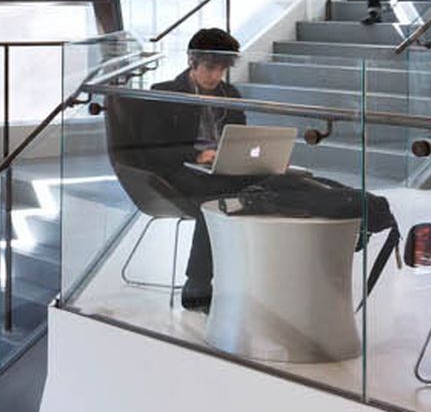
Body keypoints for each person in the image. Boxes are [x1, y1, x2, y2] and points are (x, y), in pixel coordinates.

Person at [104, 29, 396, 316]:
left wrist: (257, 159)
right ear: (192, 60)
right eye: (210, 67)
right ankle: (197, 285)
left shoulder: (230, 94)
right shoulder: (164, 94)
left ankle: (348, 210)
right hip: (176, 171)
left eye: (222, 69)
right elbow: (150, 151)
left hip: (225, 168)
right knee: (220, 199)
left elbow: (242, 142)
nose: (216, 76)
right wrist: (196, 154)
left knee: (286, 180)